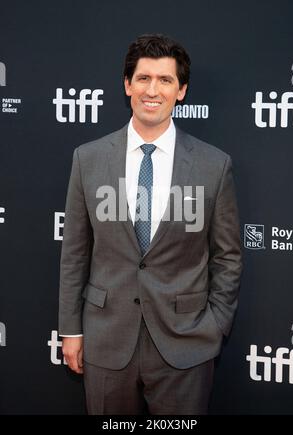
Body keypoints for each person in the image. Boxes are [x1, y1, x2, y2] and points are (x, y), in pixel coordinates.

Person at [59, 33, 242, 415]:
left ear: (181, 90)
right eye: (143, 78)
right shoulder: (87, 159)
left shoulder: (214, 165)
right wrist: (71, 329)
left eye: (165, 80)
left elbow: (227, 256)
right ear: (127, 85)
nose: (152, 90)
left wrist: (214, 327)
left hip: (187, 344)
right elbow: (75, 252)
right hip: (106, 339)